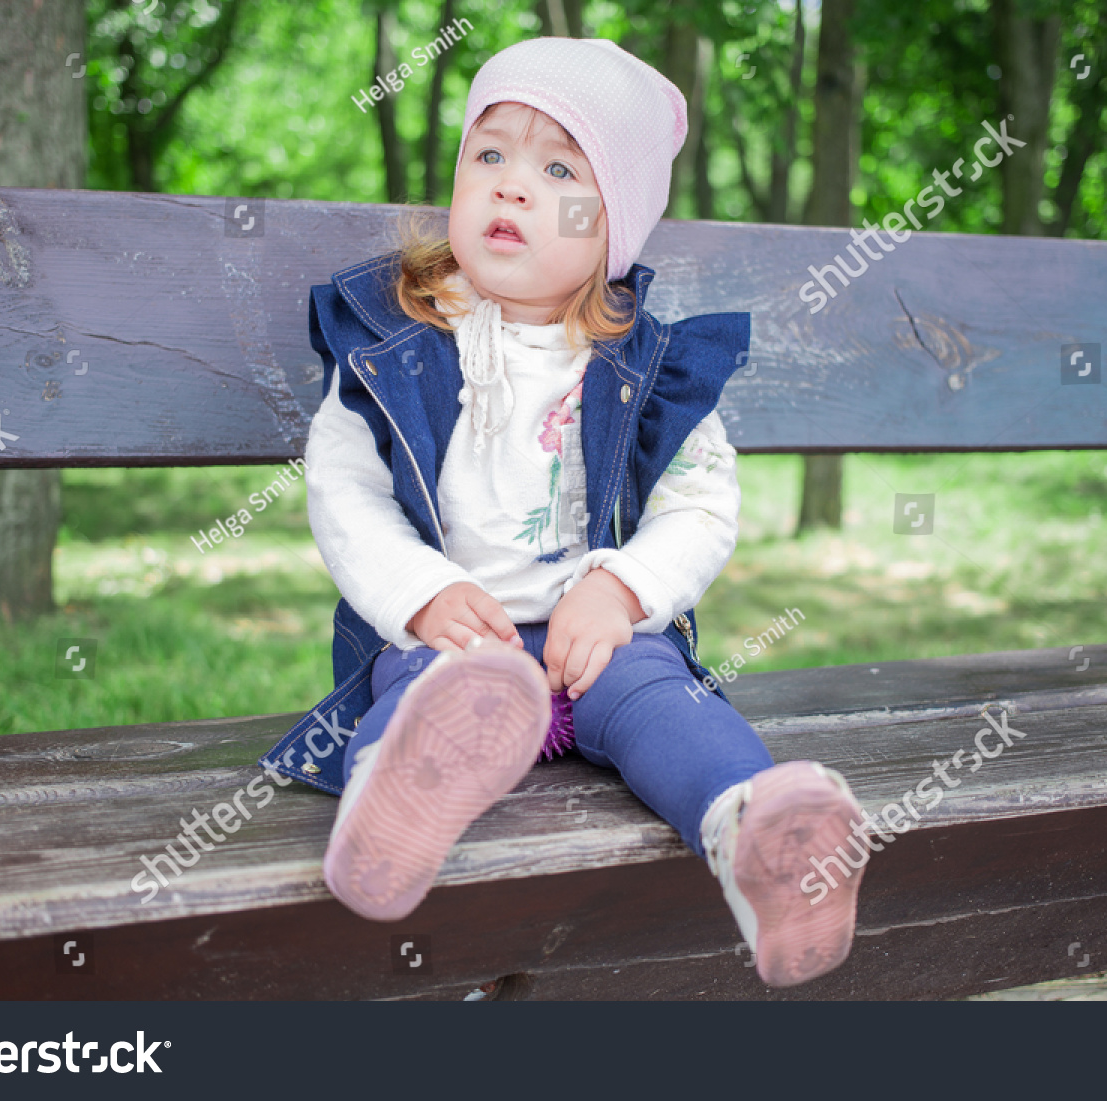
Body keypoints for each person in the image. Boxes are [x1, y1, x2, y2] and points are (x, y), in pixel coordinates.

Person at [262, 36, 869, 988]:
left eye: (558, 171)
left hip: (599, 645)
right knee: (423, 701)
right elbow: (346, 492)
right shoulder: (397, 342)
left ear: (611, 224)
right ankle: (389, 817)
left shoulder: (651, 368)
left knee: (669, 703)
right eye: (489, 155)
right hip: (457, 644)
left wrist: (623, 591)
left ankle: (760, 839)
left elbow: (701, 503)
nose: (510, 186)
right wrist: (421, 594)